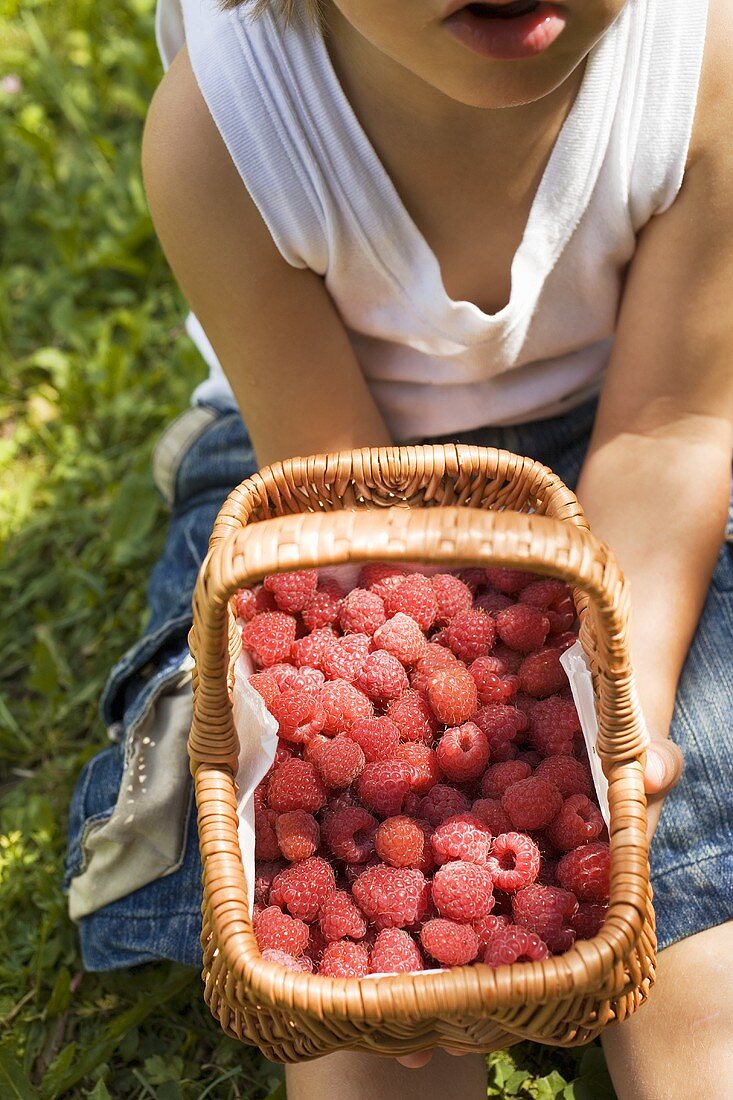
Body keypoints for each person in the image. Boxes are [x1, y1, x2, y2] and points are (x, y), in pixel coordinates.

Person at [65, 0, 733, 1096]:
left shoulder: (703, 61)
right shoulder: (225, 127)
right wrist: (392, 833)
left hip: (620, 451)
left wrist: (617, 707)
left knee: (689, 918)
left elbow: (668, 432)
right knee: (351, 1006)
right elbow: (337, 507)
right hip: (321, 484)